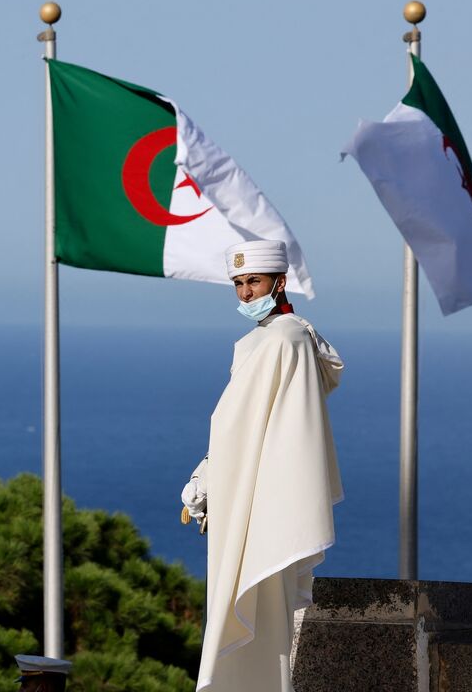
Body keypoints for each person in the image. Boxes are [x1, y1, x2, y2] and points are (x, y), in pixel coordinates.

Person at [181, 239, 344, 692]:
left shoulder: (282, 339)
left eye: (253, 281)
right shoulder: (284, 336)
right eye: (238, 284)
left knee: (255, 607)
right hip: (264, 486)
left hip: (262, 495)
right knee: (258, 613)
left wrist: (208, 476)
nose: (246, 292)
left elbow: (234, 423)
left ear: (279, 281)